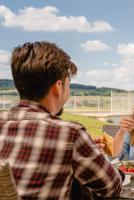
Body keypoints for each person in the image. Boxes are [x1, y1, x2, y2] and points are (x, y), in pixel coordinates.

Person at [0, 41, 123, 199]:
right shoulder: (70, 134)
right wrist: (92, 153)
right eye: (68, 83)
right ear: (58, 87)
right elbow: (112, 189)